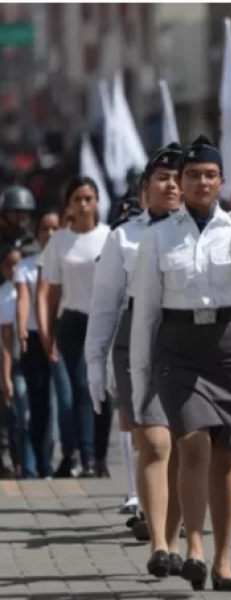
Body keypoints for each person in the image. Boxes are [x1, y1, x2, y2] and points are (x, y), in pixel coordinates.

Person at [130, 135, 231, 592]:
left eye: (210, 175)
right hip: (179, 347)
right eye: (192, 175)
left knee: (226, 459)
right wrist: (140, 377)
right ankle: (193, 546)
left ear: (222, 181)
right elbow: (146, 310)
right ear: (181, 182)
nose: (201, 182)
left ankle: (224, 559)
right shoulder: (157, 236)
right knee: (192, 444)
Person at [85, 144, 185, 577]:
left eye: (178, 177)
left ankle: (177, 536)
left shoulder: (199, 231)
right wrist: (95, 363)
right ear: (145, 190)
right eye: (162, 178)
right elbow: (105, 305)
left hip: (185, 339)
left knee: (185, 446)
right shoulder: (123, 236)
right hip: (135, 341)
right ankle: (159, 544)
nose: (172, 185)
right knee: (156, 442)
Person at [38, 176, 111, 478]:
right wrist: (47, 332)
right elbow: (50, 290)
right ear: (68, 205)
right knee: (81, 387)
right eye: (77, 199)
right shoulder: (59, 242)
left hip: (104, 320)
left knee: (102, 391)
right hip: (72, 322)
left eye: (88, 198)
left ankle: (99, 455)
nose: (83, 205)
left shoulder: (109, 237)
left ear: (96, 202)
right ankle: (85, 455)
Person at [14, 208, 61, 479]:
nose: (50, 234)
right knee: (36, 405)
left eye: (55, 228)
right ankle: (36, 467)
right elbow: (22, 300)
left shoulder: (67, 261)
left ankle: (70, 458)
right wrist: (21, 330)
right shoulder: (26, 266)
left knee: (62, 404)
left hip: (62, 339)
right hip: (32, 340)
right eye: (45, 228)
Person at [0, 243, 35, 478]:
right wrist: (6, 377)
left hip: (36, 361)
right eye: (9, 264)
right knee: (19, 418)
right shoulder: (3, 295)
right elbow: (4, 340)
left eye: (18, 264)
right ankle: (22, 466)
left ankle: (35, 466)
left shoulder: (31, 289)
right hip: (15, 364)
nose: (14, 269)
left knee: (35, 417)